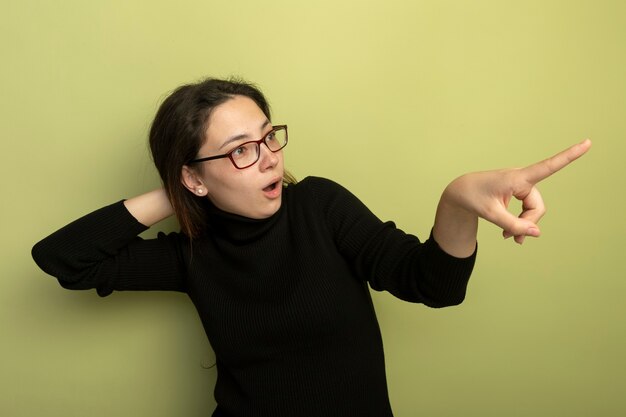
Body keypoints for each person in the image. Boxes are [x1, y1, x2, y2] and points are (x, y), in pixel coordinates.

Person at [31, 77, 591, 417]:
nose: (270, 157)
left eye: (268, 137)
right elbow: (64, 260)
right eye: (240, 151)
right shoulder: (191, 253)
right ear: (194, 178)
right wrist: (178, 194)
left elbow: (435, 286)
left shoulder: (319, 207)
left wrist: (457, 199)